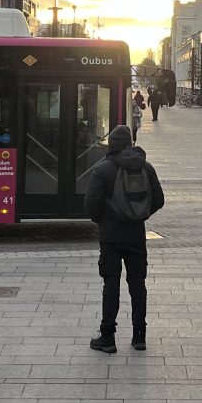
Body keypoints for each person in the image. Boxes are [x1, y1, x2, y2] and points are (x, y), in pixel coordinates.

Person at [85, 125, 164, 353]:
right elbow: (158, 199)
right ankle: (139, 336)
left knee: (111, 285)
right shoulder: (145, 167)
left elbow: (91, 203)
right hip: (136, 236)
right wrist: (140, 214)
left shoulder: (103, 169)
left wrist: (103, 220)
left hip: (110, 237)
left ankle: (107, 337)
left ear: (111, 144)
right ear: (130, 142)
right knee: (138, 285)